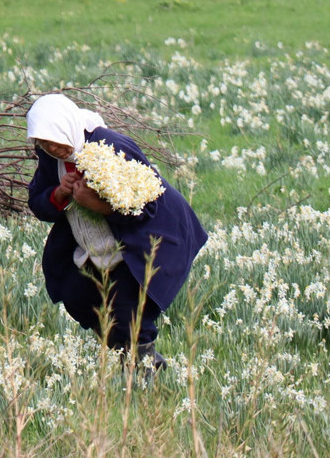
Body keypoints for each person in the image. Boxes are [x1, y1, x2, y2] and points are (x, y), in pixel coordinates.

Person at [26, 94, 208, 372]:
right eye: (44, 143)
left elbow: (147, 208)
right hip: (93, 249)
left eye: (55, 140)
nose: (53, 147)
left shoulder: (111, 146)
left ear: (67, 127)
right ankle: (136, 358)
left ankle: (141, 376)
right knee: (77, 297)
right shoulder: (51, 158)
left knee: (129, 315)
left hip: (147, 242)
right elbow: (37, 201)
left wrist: (97, 205)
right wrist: (59, 193)